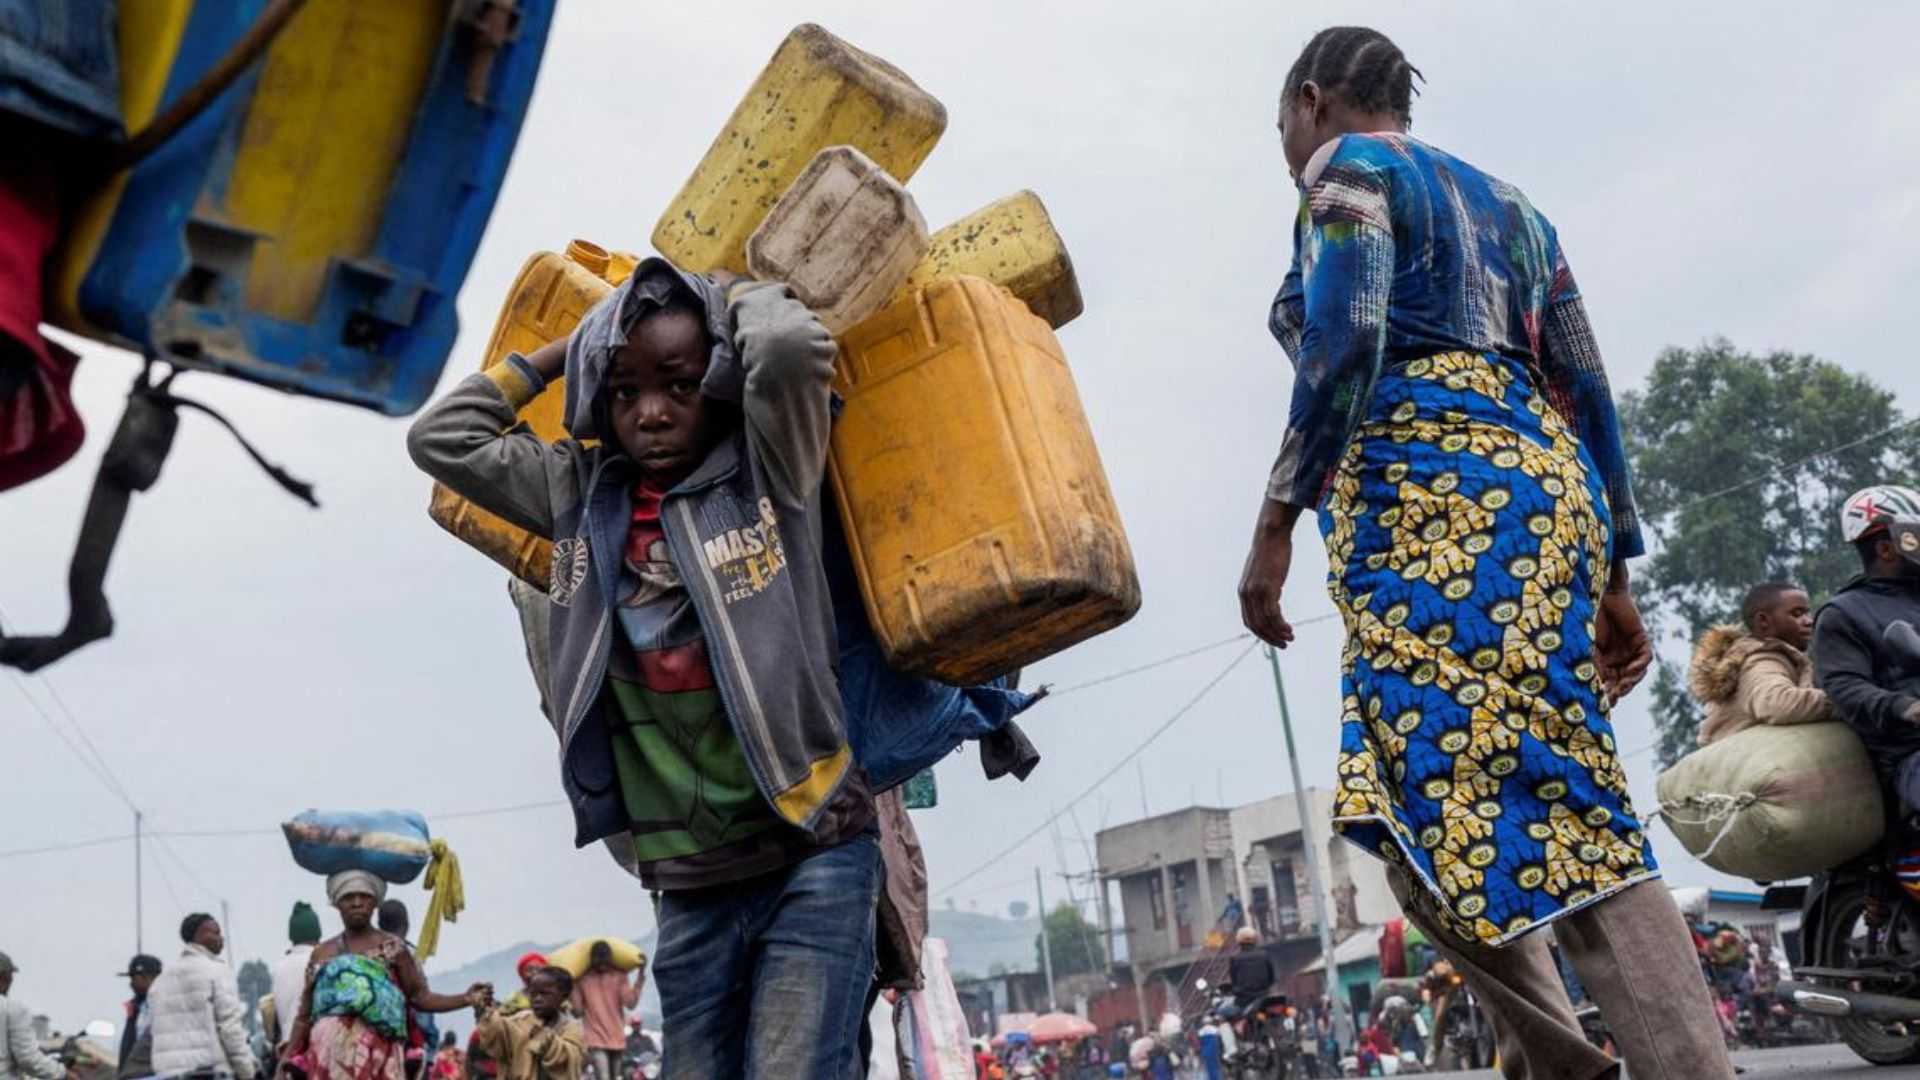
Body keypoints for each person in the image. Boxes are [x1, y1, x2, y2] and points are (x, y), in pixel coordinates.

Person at [1237, 25, 1733, 1079]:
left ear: (1312, 100)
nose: (1284, 150)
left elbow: (1343, 337)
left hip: (1436, 508)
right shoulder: (1516, 209)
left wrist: (1276, 521)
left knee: (1444, 796)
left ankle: (1616, 1066)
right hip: (1545, 501)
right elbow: (1585, 386)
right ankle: (1572, 1060)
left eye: (1281, 124)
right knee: (1481, 794)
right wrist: (1610, 570)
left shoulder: (1347, 172)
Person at [409, 258, 879, 1079]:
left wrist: (729, 294)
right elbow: (441, 438)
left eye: (680, 385)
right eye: (624, 391)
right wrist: (568, 350)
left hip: (814, 851)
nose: (651, 412)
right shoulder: (577, 494)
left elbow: (789, 349)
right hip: (689, 883)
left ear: (720, 382)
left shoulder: (771, 465)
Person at [279, 872, 488, 1080]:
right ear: (337, 904)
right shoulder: (322, 954)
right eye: (348, 897)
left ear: (375, 902)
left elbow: (420, 997)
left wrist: (465, 998)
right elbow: (304, 1016)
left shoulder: (393, 949)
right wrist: (285, 1060)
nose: (357, 903)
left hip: (380, 1060)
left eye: (364, 896)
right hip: (328, 1061)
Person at [1813, 484, 1920, 811]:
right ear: (1887, 548)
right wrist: (1905, 707)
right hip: (1910, 755)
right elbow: (1845, 686)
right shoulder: (1843, 614)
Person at [1690, 582, 1832, 746]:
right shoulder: (1760, 660)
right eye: (1797, 614)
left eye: (1807, 613)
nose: (1809, 621)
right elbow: (1778, 704)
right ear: (1763, 621)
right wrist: (1842, 699)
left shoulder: (1775, 658)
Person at [148, 913, 256, 1079]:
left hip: (167, 1074)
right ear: (198, 936)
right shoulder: (218, 972)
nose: (221, 938)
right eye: (216, 933)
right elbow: (230, 1029)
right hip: (208, 1072)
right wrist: (248, 1071)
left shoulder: (160, 981)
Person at [471, 967, 584, 1080]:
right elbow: (495, 1035)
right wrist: (484, 1011)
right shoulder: (519, 1021)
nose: (537, 999)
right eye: (533, 994)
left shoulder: (572, 1027)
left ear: (563, 996)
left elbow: (572, 1061)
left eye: (545, 994)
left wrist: (549, 1043)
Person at [377, 900, 439, 1077]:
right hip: (409, 1049)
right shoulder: (409, 957)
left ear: (379, 925)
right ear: (406, 925)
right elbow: (421, 1005)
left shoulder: (369, 955)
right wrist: (430, 1046)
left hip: (377, 1047)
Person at [568, 943, 640, 1080]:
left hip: (617, 1038)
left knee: (613, 1077)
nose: (601, 962)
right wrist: (572, 988)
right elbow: (577, 1012)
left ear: (610, 959)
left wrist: (640, 978)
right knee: (604, 1077)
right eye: (598, 958)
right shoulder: (582, 979)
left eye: (604, 958)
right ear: (592, 960)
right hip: (595, 1039)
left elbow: (630, 1004)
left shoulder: (620, 976)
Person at [0, 951, 65, 1080]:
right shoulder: (12, 1009)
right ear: (3, 978)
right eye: (10, 978)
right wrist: (61, 1073)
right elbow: (28, 1058)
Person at [270, 902, 323, 1055]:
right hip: (313, 1049)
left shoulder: (278, 968)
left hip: (287, 1050)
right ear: (317, 933)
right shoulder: (320, 962)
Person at [113, 954, 160, 1080]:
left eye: (134, 978)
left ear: (148, 977)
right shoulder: (136, 1007)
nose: (131, 984)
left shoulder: (162, 1004)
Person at [1224, 927, 1274, 1008]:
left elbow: (1234, 982)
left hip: (1244, 1001)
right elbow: (1271, 978)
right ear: (1255, 939)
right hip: (1264, 997)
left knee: (1222, 1011)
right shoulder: (1264, 955)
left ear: (1238, 940)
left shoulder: (1235, 958)